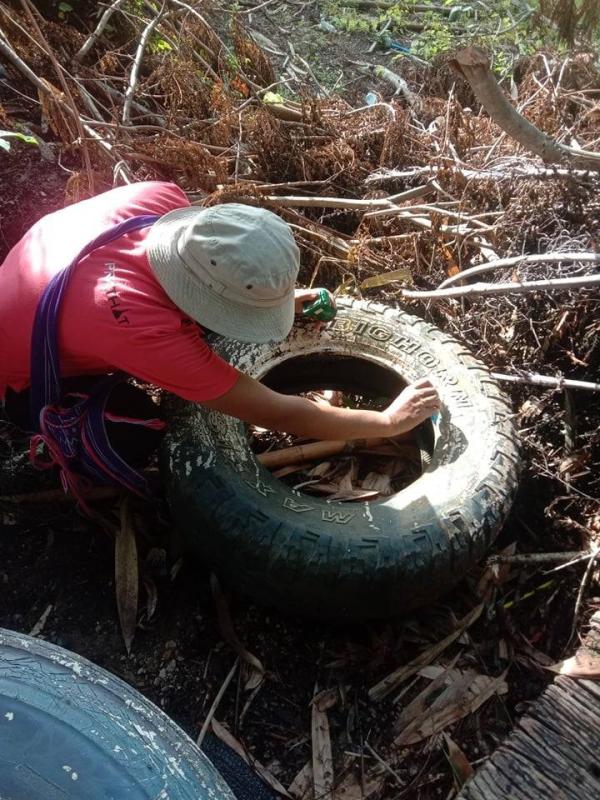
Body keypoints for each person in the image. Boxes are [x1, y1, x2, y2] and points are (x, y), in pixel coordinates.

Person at [0, 181, 439, 493]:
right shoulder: (141, 328)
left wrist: (281, 299)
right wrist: (386, 422)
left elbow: (205, 270)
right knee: (137, 429)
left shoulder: (160, 199)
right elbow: (278, 411)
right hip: (21, 376)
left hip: (40, 289)